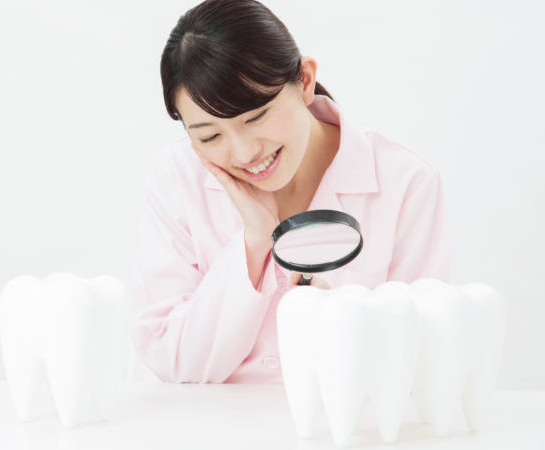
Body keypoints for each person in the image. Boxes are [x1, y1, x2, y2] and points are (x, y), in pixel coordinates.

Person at [129, 0, 450, 384]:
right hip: (214, 419)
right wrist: (253, 241)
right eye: (210, 136)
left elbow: (417, 358)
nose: (245, 153)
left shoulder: (406, 183)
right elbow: (173, 361)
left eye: (256, 117)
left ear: (305, 80)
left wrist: (338, 324)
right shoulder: (177, 179)